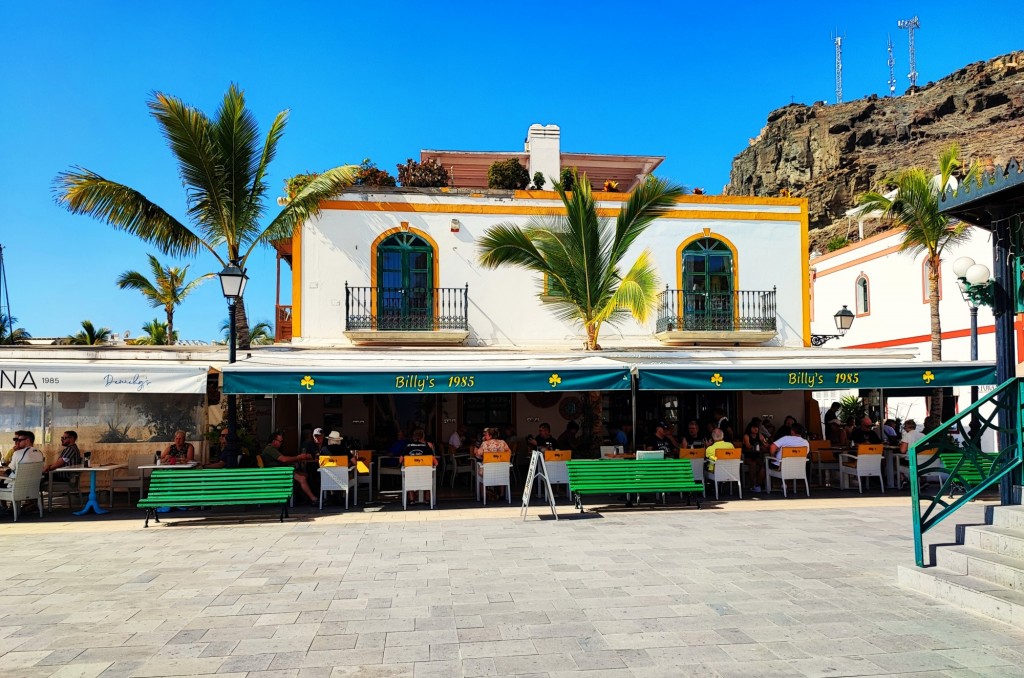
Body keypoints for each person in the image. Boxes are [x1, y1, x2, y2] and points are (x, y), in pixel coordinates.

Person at [261, 431, 317, 503]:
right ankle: (313, 499)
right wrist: (298, 457)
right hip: (278, 473)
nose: (281, 443)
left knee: (305, 475)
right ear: (274, 441)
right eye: (280, 441)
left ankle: (302, 498)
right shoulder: (270, 449)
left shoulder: (272, 449)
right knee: (302, 478)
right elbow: (283, 459)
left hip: (281, 471)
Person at [400, 428, 437, 504]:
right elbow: (436, 463)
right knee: (428, 474)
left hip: (412, 476)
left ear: (413, 437)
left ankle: (412, 499)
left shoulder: (408, 446)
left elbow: (400, 460)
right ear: (423, 437)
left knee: (408, 475)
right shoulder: (427, 446)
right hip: (425, 477)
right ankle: (427, 498)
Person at [742, 421, 769, 493]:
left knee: (763, 466)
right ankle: (752, 485)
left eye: (756, 427)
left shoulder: (759, 435)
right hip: (747, 456)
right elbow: (748, 446)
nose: (756, 429)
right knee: (753, 463)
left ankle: (758, 485)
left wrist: (765, 443)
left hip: (757, 456)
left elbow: (766, 444)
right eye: (754, 427)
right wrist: (759, 447)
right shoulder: (746, 436)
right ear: (750, 428)